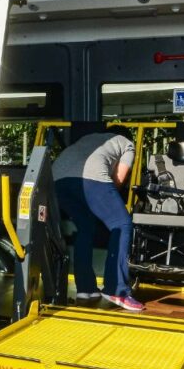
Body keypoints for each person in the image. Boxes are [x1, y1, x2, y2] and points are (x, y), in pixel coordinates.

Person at [53, 131, 144, 310]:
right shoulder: (127, 144)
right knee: (122, 224)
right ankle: (117, 290)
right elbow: (118, 180)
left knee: (86, 225)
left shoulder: (88, 137)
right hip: (91, 177)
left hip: (57, 179)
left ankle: (85, 288)